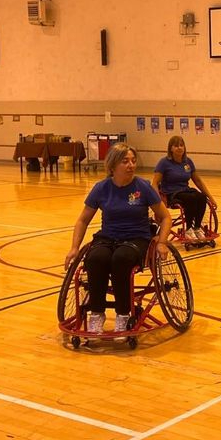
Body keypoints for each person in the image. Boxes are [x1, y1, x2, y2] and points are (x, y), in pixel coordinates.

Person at [64, 143, 172, 334]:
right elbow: (82, 220)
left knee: (121, 259)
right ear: (113, 166)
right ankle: (96, 312)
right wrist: (74, 247)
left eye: (133, 160)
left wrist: (162, 242)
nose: (131, 165)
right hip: (108, 237)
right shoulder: (101, 188)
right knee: (96, 259)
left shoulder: (143, 187)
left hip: (136, 237)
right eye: (125, 161)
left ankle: (123, 314)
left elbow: (165, 217)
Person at [152, 136, 218, 240]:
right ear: (171, 149)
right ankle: (188, 229)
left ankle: (196, 227)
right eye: (176, 146)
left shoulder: (188, 162)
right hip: (170, 193)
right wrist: (157, 201)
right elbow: (155, 183)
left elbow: (198, 181)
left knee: (201, 197)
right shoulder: (164, 163)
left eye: (181, 145)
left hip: (185, 190)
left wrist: (211, 197)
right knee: (190, 198)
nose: (179, 148)